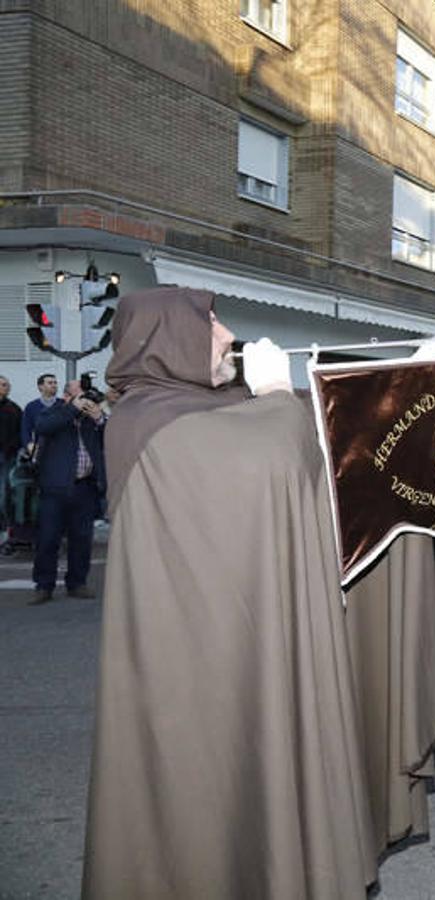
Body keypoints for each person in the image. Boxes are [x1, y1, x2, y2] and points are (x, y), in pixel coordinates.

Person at [83, 287, 377, 898]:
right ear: (167, 340)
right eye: (209, 322)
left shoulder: (188, 407)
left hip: (226, 647)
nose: (225, 335)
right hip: (193, 667)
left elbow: (304, 425)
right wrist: (274, 394)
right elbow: (276, 456)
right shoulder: (151, 419)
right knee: (207, 801)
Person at [29, 379, 105, 605]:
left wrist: (100, 419)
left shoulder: (90, 420)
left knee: (82, 538)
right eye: (78, 394)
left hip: (85, 487)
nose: (84, 399)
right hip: (55, 487)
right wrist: (72, 409)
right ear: (66, 396)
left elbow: (108, 436)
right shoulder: (53, 412)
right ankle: (44, 586)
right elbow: (43, 427)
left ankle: (77, 583)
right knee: (48, 538)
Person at [0, 376, 22, 527]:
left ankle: (5, 526)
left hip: (7, 456)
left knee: (4, 493)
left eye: (7, 385)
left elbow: (20, 432)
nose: (5, 387)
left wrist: (11, 449)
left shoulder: (14, 408)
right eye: (2, 385)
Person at [19, 372, 58, 452]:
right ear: (41, 387)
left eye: (55, 383)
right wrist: (29, 445)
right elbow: (26, 429)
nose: (54, 385)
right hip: (40, 449)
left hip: (61, 448)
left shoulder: (63, 404)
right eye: (50, 383)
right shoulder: (31, 407)